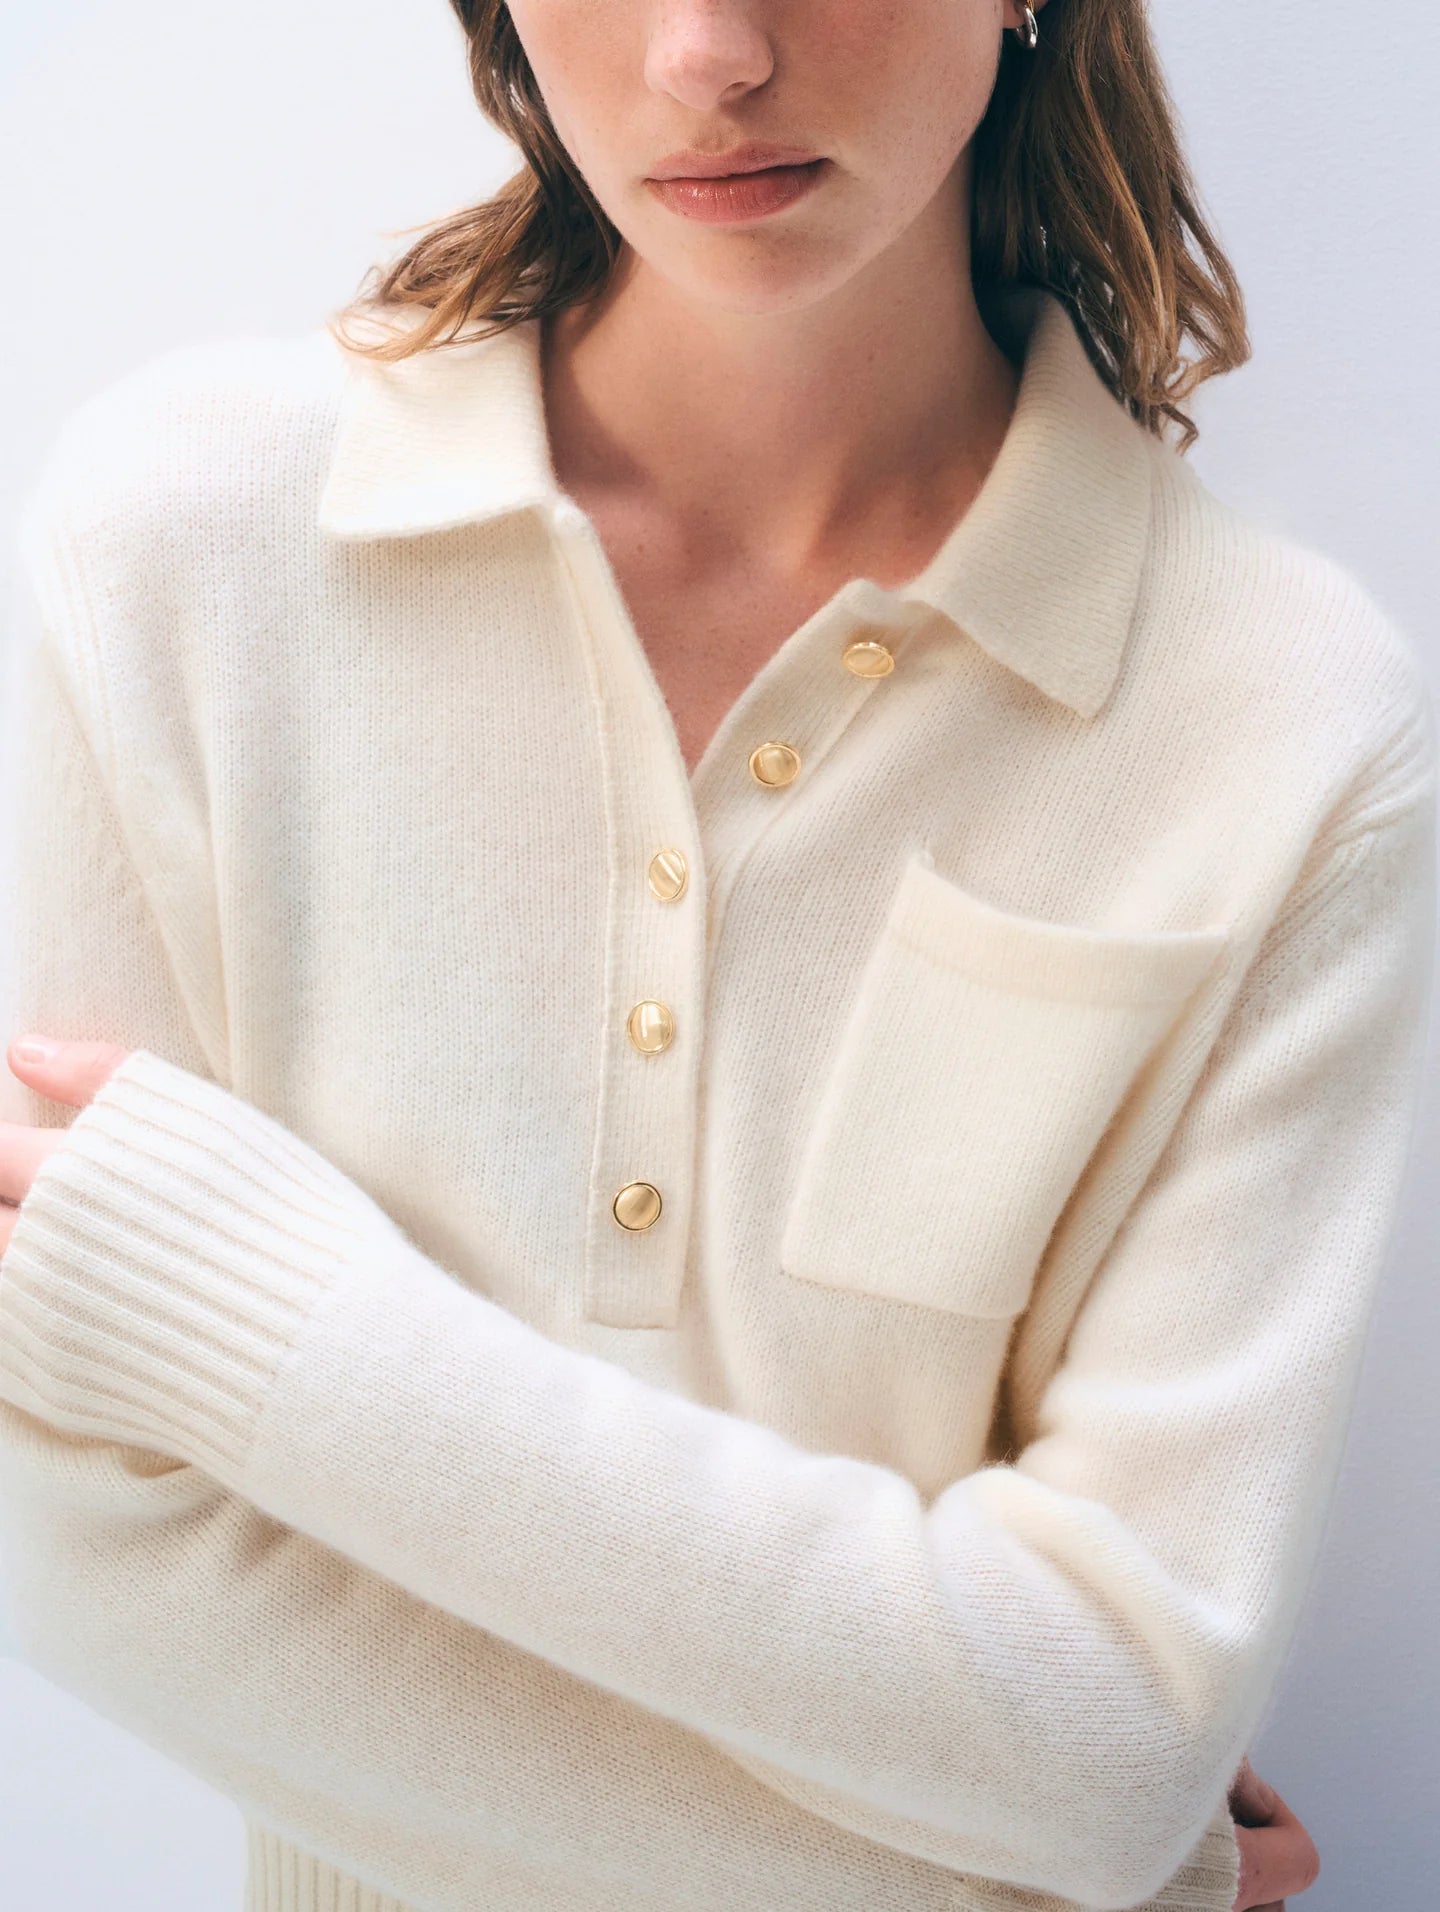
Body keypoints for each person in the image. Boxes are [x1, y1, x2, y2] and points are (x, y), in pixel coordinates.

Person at [0, 2, 1426, 1909]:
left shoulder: (1286, 725)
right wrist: (1077, 1880)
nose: (706, 55)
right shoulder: (187, 544)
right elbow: (62, 1520)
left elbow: (1112, 1718)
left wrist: (298, 1338)